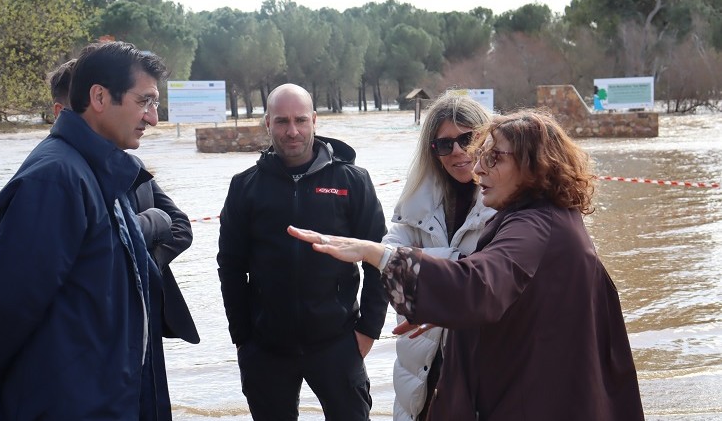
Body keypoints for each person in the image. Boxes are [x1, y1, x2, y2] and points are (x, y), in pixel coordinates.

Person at [288, 109, 645, 420]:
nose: (477, 167)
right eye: (482, 156)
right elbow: (507, 296)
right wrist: (445, 307)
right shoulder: (546, 215)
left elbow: (478, 285)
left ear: (534, 165)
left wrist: (374, 253)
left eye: (494, 158)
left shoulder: (535, 225)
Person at [0, 41, 172, 419]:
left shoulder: (102, 170)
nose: (153, 118)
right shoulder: (56, 178)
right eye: (144, 101)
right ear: (100, 97)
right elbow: (8, 304)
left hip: (107, 401)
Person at [217, 83, 388, 420]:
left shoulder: (352, 180)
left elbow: (378, 259)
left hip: (337, 342)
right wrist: (242, 339)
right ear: (267, 123)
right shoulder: (245, 186)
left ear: (314, 120)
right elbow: (230, 267)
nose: (292, 131)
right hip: (267, 347)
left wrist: (368, 331)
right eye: (281, 121)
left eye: (300, 120)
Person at [47, 58, 200, 420]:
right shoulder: (57, 177)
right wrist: (140, 233)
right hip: (89, 350)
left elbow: (179, 224)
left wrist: (138, 263)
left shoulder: (128, 165)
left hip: (142, 325)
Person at [383, 92, 495, 421]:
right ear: (433, 152)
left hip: (482, 366)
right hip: (421, 370)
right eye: (444, 145)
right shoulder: (417, 201)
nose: (458, 151)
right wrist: (454, 272)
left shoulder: (509, 202)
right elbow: (389, 259)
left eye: (468, 139)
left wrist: (428, 273)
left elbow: (493, 282)